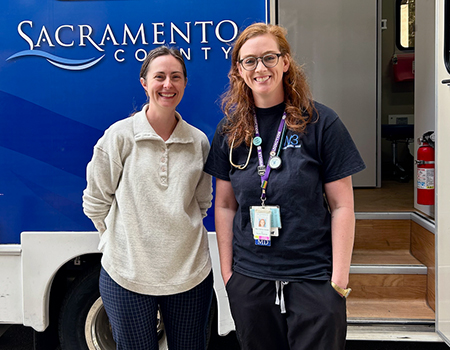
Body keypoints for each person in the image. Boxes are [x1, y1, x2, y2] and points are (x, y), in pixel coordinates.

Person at [204, 23, 366, 350]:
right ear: (238, 70)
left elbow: (342, 206)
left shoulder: (321, 123)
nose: (260, 68)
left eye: (269, 58)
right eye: (249, 61)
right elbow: (224, 204)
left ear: (285, 62)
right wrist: (229, 277)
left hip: (314, 279)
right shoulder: (230, 131)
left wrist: (338, 281)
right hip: (251, 279)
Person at [82, 46, 213, 350]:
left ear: (184, 83)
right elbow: (95, 201)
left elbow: (202, 202)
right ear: (144, 82)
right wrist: (120, 240)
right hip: (127, 276)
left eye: (176, 77)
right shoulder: (119, 137)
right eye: (160, 77)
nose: (168, 85)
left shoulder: (198, 142)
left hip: (189, 276)